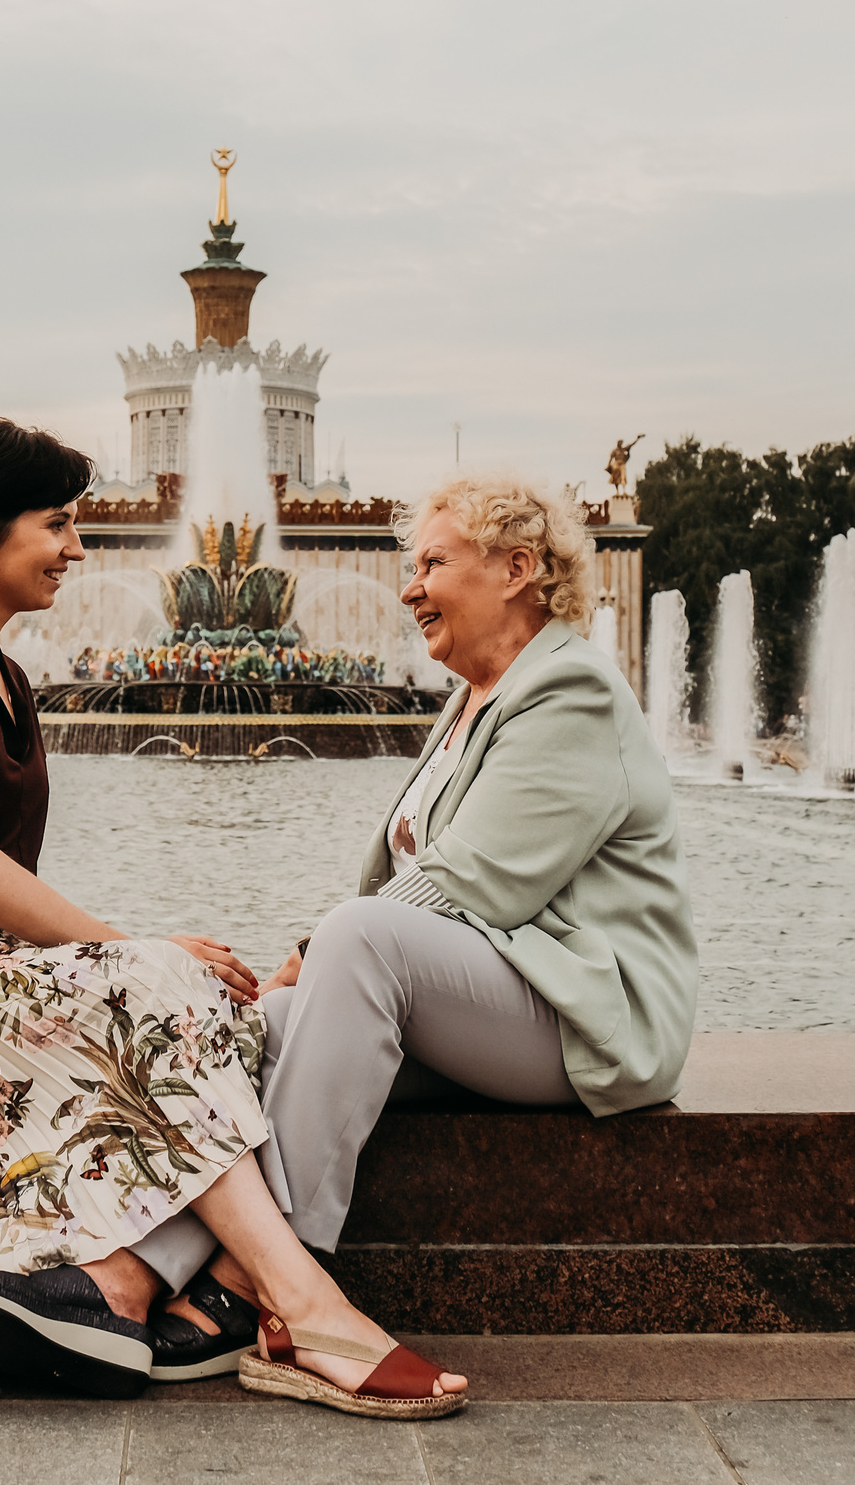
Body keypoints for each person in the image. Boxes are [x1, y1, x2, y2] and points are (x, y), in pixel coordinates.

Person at [0, 417, 466, 1418]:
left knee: (211, 1004)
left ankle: (98, 1291)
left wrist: (145, 960)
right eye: (58, 526)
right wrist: (136, 950)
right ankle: (301, 1299)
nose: (78, 550)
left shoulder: (7, 679)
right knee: (165, 980)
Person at [131, 468, 696, 1336]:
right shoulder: (476, 697)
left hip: (588, 1016)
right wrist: (309, 972)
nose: (409, 586)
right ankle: (137, 1271)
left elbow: (477, 880)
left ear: (516, 567)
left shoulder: (570, 689)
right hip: (499, 998)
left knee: (355, 943)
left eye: (432, 561)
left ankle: (265, 1278)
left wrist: (322, 947)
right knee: (259, 1025)